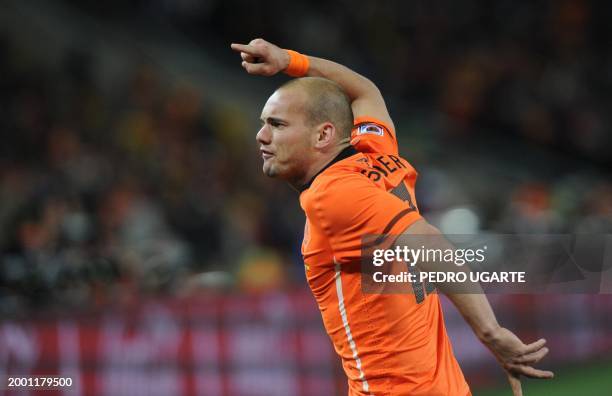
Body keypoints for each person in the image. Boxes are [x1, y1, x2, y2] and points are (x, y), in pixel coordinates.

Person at [231, 38, 553, 396]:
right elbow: (365, 89)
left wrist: (490, 332)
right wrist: (289, 60)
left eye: (276, 124)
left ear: (324, 134)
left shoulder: (331, 194)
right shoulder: (376, 151)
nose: (261, 136)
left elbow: (428, 242)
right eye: (264, 124)